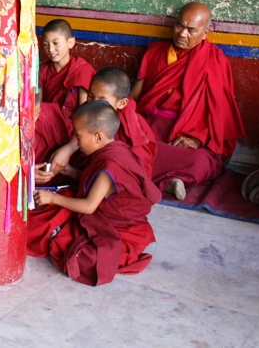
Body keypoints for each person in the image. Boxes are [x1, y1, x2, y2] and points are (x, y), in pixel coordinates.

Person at [28, 101, 162, 286]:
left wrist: (53, 198)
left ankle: (55, 232)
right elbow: (94, 181)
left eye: (79, 135)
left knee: (74, 248)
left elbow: (89, 206)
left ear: (98, 137)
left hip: (116, 228)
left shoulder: (110, 166)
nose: (75, 139)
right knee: (57, 207)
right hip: (114, 217)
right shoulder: (118, 150)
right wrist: (70, 171)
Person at [130, 2, 245, 199]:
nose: (182, 34)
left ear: (205, 33)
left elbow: (219, 113)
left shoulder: (214, 61)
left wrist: (198, 138)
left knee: (200, 161)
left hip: (187, 132)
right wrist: (127, 124)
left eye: (191, 30)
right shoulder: (155, 53)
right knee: (121, 143)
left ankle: (145, 175)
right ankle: (167, 178)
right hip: (150, 127)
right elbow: (134, 99)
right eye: (179, 26)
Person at [38, 67, 158, 182]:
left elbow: (125, 177)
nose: (93, 104)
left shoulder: (132, 127)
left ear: (121, 103)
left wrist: (73, 172)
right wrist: (68, 148)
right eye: (90, 96)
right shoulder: (89, 111)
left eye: (102, 100)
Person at [39, 20, 94, 119]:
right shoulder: (42, 70)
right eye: (45, 44)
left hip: (73, 125)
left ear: (70, 42)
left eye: (56, 43)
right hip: (47, 122)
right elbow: (38, 104)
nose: (50, 49)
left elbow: (84, 109)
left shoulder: (81, 69)